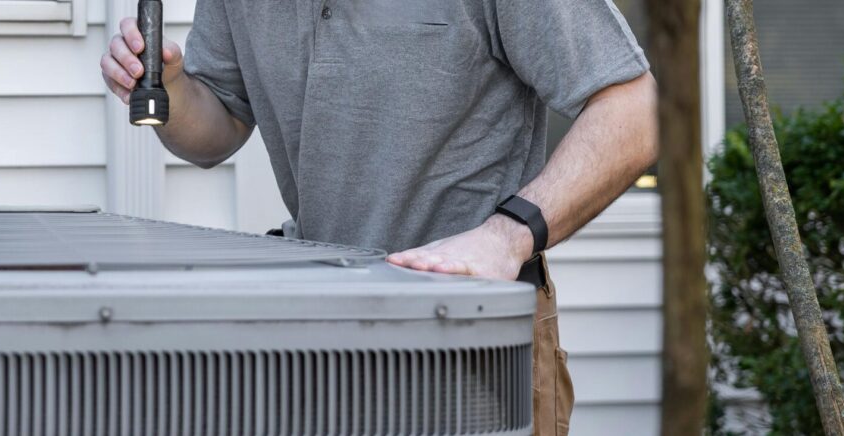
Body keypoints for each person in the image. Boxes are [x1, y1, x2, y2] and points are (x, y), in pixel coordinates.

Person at [100, 0, 657, 434]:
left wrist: (506, 237)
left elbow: (635, 112)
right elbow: (216, 126)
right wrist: (167, 88)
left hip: (471, 336)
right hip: (321, 339)